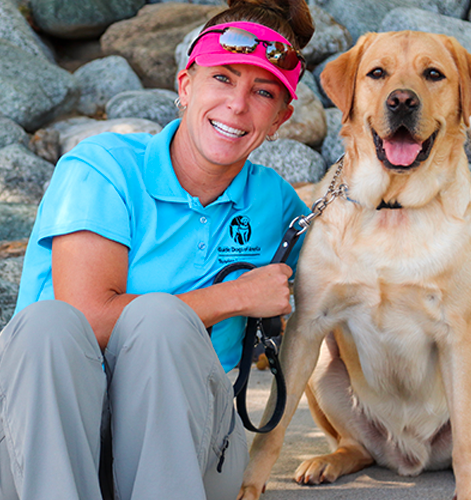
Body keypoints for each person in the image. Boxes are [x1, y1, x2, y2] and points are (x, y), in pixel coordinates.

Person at [0, 0, 314, 498]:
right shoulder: (102, 167)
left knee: (163, 325)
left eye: (263, 92)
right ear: (185, 85)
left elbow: (359, 267)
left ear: (280, 118)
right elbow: (87, 314)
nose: (237, 105)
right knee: (49, 324)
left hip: (188, 451)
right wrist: (236, 297)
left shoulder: (277, 204)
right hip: (44, 443)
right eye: (223, 79)